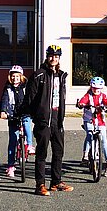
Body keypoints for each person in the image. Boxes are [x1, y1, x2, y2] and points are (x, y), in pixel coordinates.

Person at [20, 44, 71, 196]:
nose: (53, 58)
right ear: (47, 56)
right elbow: (30, 98)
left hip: (57, 119)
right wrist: (28, 114)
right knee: (42, 153)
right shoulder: (39, 75)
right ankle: (39, 185)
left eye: (56, 56)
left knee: (58, 152)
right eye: (51, 56)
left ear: (59, 58)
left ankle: (56, 182)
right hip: (43, 120)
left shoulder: (61, 75)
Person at [77, 76, 107, 177]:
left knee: (104, 141)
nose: (96, 90)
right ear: (91, 87)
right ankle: (85, 156)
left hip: (100, 121)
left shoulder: (103, 96)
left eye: (98, 89)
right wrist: (81, 104)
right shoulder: (88, 95)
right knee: (89, 135)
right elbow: (82, 101)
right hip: (89, 120)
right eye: (94, 88)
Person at [0, 65, 34, 180]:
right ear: (10, 77)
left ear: (21, 77)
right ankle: (10, 166)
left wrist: (33, 109)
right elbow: (4, 100)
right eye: (13, 76)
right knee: (13, 141)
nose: (15, 79)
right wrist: (3, 111)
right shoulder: (7, 88)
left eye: (17, 76)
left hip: (25, 112)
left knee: (27, 124)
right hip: (12, 115)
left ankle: (29, 145)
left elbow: (31, 98)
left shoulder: (25, 87)